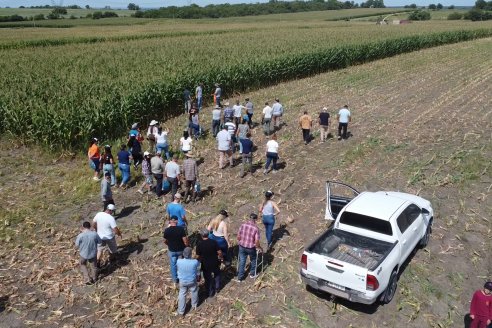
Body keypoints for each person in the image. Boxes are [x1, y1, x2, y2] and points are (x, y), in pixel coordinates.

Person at [236, 213, 263, 281]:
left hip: (242, 246)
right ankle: (252, 274)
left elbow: (238, 236)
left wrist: (241, 241)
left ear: (249, 218)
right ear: (256, 219)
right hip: (250, 248)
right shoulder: (256, 228)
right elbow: (256, 241)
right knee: (253, 260)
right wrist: (259, 247)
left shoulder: (243, 225)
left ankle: (240, 277)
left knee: (242, 261)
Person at [196, 229, 222, 298]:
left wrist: (198, 262)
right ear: (208, 234)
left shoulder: (199, 244)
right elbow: (219, 252)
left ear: (202, 235)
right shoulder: (214, 242)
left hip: (205, 264)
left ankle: (210, 292)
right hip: (214, 262)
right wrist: (220, 258)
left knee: (208, 278)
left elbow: (198, 256)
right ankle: (217, 287)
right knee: (217, 274)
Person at [163, 216, 189, 284]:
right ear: (177, 221)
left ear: (170, 221)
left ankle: (175, 279)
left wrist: (169, 245)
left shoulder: (167, 230)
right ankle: (183, 277)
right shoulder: (181, 229)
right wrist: (186, 246)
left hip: (172, 250)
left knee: (173, 265)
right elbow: (185, 241)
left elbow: (164, 241)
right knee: (181, 264)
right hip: (180, 250)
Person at [176, 247, 200, 316]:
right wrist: (198, 277)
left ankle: (181, 311)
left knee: (182, 294)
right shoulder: (195, 262)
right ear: (190, 254)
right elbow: (198, 271)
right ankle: (194, 304)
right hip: (192, 281)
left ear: (183, 254)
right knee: (194, 291)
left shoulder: (179, 261)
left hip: (182, 281)